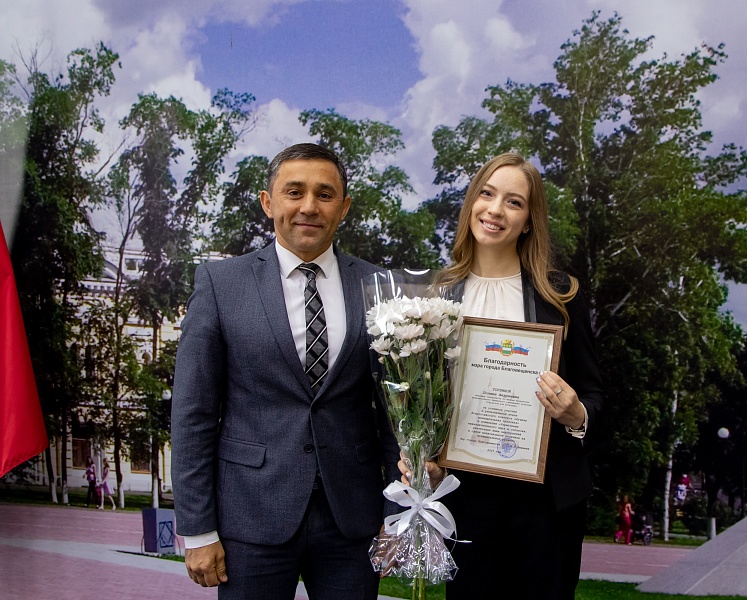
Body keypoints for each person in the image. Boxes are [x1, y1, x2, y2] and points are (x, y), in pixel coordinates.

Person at [171, 143, 400, 599]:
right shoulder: (220, 284)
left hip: (354, 522)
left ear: (344, 207)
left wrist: (398, 512)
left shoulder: (381, 287)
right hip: (249, 519)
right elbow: (193, 414)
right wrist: (197, 530)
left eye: (325, 194)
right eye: (294, 192)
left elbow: (398, 412)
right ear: (268, 201)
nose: (309, 206)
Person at [403, 153, 604, 599]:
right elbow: (419, 403)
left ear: (529, 221)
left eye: (514, 202)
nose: (495, 210)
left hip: (546, 504)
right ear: (471, 203)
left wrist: (576, 415)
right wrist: (420, 455)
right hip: (466, 497)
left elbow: (594, 394)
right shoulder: (434, 300)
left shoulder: (560, 296)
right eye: (487, 194)